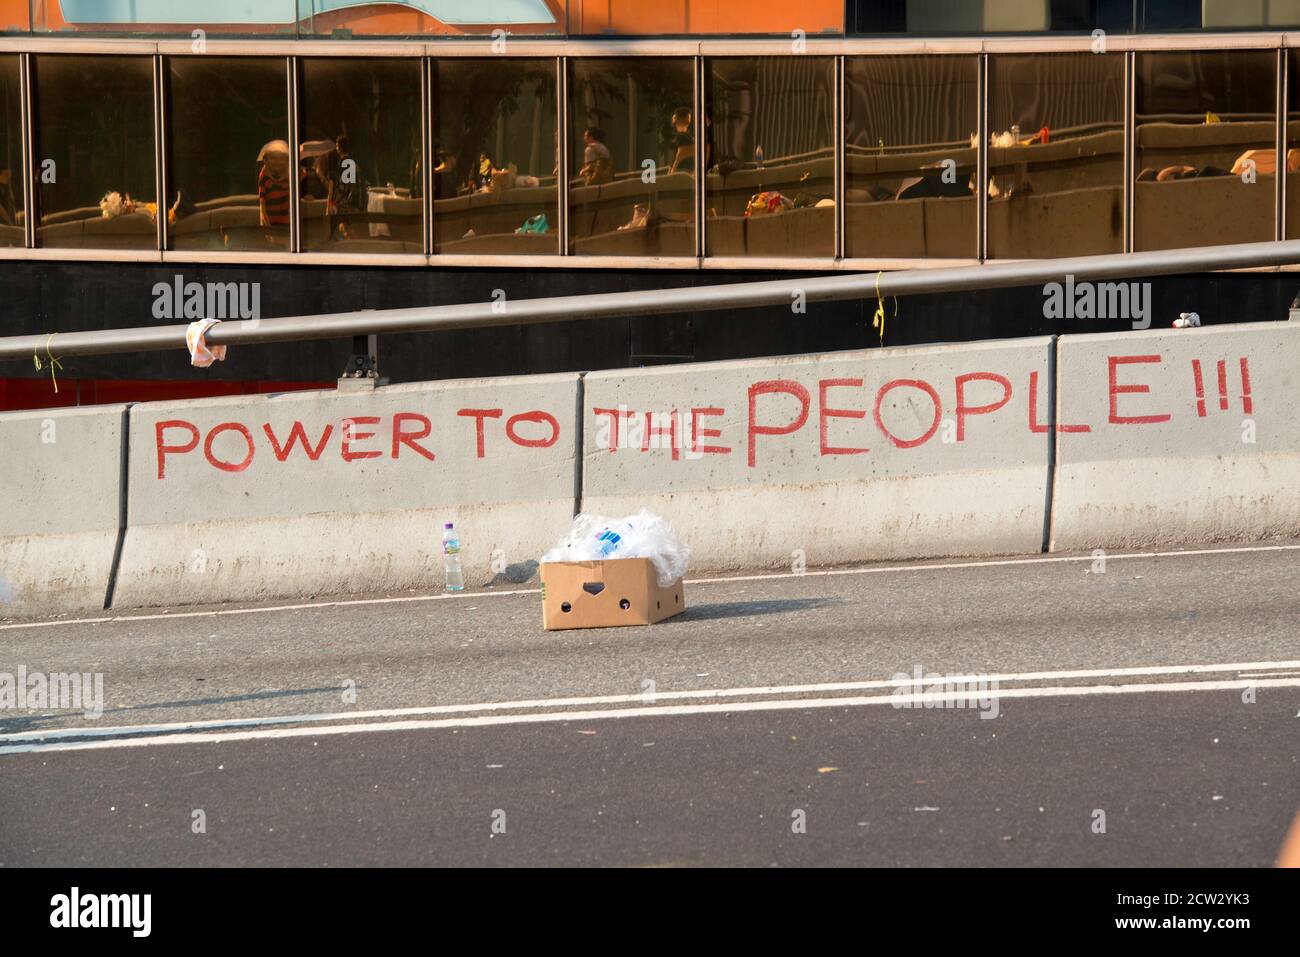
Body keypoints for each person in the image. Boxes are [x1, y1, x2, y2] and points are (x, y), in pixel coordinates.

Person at [257, 147, 291, 229]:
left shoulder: (287, 175)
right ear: (266, 161)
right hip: (272, 225)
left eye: (280, 158)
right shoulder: (265, 177)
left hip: (288, 224)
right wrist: (267, 226)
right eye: (273, 158)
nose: (277, 161)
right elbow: (262, 204)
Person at [669, 107, 694, 174]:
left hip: (682, 171)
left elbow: (681, 153)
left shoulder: (681, 136)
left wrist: (673, 169)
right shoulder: (685, 136)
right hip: (686, 171)